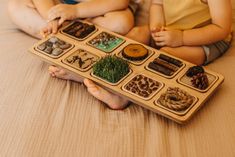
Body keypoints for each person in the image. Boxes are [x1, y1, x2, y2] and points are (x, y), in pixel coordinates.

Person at [8, 0, 137, 39]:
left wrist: (77, 11)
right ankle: (59, 31)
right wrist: (52, 16)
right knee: (15, 6)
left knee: (122, 22)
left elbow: (120, 2)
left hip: (99, 10)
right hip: (62, 7)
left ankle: (69, 33)